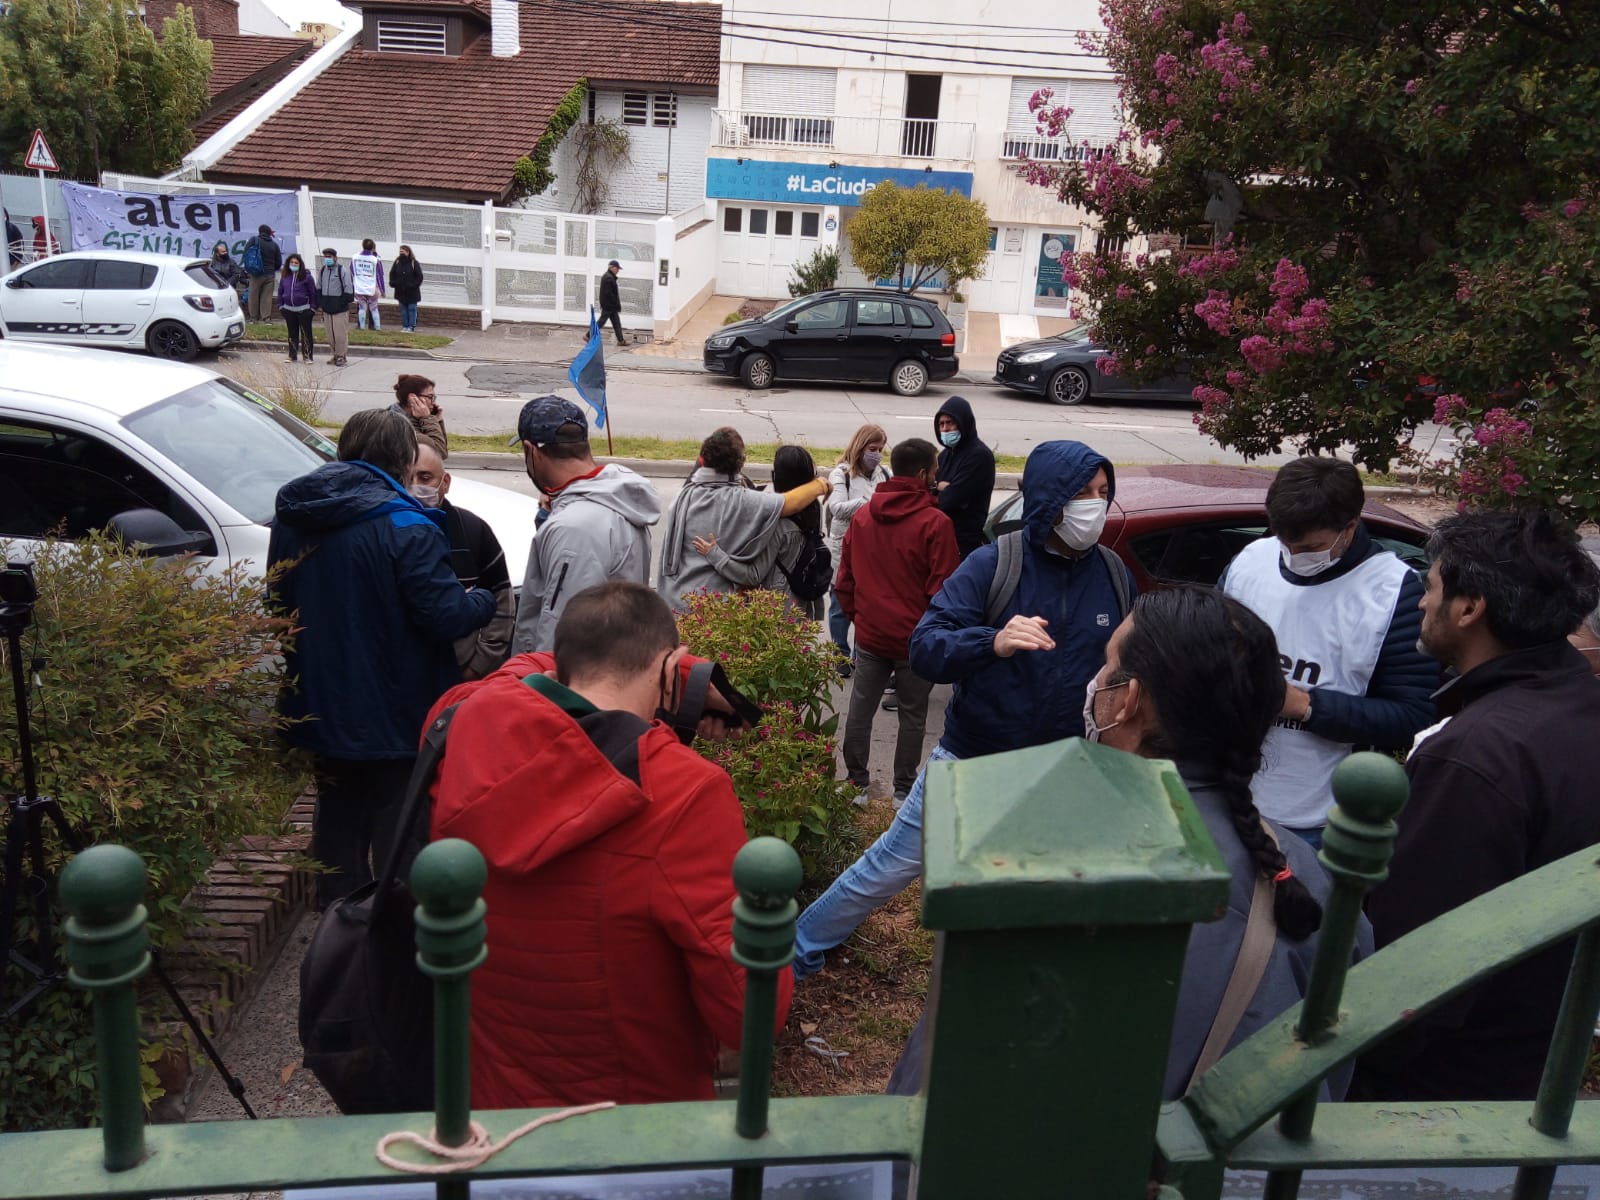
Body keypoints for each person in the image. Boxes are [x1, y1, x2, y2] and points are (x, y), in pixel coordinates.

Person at [886, 586, 1362, 1100]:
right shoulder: (1312, 879)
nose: (1094, 683)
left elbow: (940, 1085)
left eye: (1106, 664)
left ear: (1127, 700)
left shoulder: (1047, 864)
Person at [426, 581, 792, 1109]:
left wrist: (678, 676)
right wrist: (677, 678)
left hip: (489, 1109)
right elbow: (748, 1009)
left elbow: (521, 669)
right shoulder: (683, 792)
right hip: (631, 1121)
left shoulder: (461, 725)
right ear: (669, 666)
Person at [792, 440, 1135, 976]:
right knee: (888, 866)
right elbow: (926, 646)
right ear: (1049, 498)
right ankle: (794, 952)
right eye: (1082, 493)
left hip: (1063, 769)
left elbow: (1123, 669)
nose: (1094, 505)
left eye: (1103, 493)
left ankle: (1002, 980)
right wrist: (991, 641)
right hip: (976, 760)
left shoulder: (1113, 575)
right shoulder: (996, 563)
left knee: (1031, 881)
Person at [1354, 511, 1600, 1103]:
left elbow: (1412, 971)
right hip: (1537, 1065)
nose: (1419, 603)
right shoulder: (1578, 702)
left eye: (1432, 586)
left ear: (1469, 609)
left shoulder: (1475, 757)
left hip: (1442, 1092)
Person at [267, 408, 495, 908]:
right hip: (396, 708)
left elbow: (277, 603)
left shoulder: (294, 516)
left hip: (320, 701)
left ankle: (336, 929)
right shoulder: (406, 525)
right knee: (400, 824)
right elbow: (446, 616)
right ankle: (392, 937)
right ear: (402, 460)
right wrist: (483, 600)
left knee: (338, 819)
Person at [1219, 457, 1439, 846]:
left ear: (1349, 527)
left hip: (1319, 822)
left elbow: (1412, 715)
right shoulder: (1250, 562)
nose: (1293, 554)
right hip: (1229, 799)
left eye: (1311, 547)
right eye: (1285, 541)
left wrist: (1304, 705)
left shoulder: (1394, 593)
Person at [836, 437, 959, 805]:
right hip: (915, 640)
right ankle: (903, 788)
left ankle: (855, 781)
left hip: (871, 634)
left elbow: (845, 579)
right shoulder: (936, 523)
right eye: (935, 472)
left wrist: (859, 617)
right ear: (923, 474)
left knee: (861, 706)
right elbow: (944, 591)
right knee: (913, 715)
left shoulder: (862, 516)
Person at [509, 396, 663, 653]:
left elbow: (560, 637)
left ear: (531, 451)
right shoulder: (614, 501)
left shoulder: (574, 529)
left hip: (567, 684)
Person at [657, 427, 828, 612]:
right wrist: (820, 484)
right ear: (741, 464)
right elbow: (791, 502)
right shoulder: (742, 502)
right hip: (713, 611)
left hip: (674, 603)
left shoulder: (684, 495)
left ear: (701, 460)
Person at [411, 441, 515, 679]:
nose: (415, 487)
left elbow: (503, 606)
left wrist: (475, 668)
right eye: (407, 478)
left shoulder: (472, 531)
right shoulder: (388, 532)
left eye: (425, 477)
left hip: (462, 678)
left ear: (445, 483)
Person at [824, 424, 891, 671]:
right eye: (872, 449)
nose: (877, 454)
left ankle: (859, 655)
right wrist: (872, 503)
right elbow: (837, 508)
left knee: (866, 608)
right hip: (844, 551)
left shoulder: (885, 474)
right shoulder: (841, 474)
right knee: (840, 605)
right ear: (860, 447)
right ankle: (839, 655)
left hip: (874, 552)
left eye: (881, 449)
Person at [932, 396, 996, 560]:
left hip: (964, 544)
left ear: (963, 423)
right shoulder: (945, 455)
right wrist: (940, 487)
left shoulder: (979, 456)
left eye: (950, 423)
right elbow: (930, 490)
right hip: (941, 539)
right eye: (941, 424)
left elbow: (949, 500)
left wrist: (941, 489)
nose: (945, 429)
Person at [391, 374, 448, 457]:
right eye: (430, 397)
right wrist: (428, 419)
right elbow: (440, 453)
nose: (433, 402)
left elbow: (442, 447)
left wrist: (437, 421)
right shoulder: (400, 426)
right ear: (412, 398)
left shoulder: (414, 419)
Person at [276, 252, 318, 363]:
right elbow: (280, 291)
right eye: (291, 262)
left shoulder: (307, 277)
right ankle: (292, 355)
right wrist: (280, 306)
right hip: (288, 310)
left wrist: (312, 308)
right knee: (292, 333)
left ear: (300, 264)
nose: (293, 264)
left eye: (296, 262)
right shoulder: (285, 276)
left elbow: (313, 293)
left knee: (306, 334)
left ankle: (308, 356)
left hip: (304, 309)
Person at [316, 248, 354, 367]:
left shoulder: (342, 270)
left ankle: (341, 356)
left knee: (340, 334)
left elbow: (348, 290)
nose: (328, 259)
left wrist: (340, 303)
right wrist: (321, 303)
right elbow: (319, 288)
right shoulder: (323, 271)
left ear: (335, 257)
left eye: (330, 256)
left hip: (339, 309)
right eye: (326, 256)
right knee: (330, 334)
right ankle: (335, 354)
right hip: (327, 308)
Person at [242, 224, 282, 321]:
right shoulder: (274, 245)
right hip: (270, 274)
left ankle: (253, 317)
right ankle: (266, 317)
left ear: (260, 232)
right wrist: (272, 269)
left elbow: (246, 254)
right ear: (269, 233)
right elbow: (279, 262)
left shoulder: (254, 240)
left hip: (256, 273)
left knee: (253, 295)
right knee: (267, 297)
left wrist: (249, 268)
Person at [352, 237, 386, 331]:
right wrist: (382, 290)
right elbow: (379, 276)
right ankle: (377, 327)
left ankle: (361, 327)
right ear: (373, 247)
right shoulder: (375, 260)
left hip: (359, 287)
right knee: (374, 308)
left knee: (362, 307)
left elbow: (352, 270)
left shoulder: (355, 257)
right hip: (372, 287)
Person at [391, 244, 424, 333]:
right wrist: (394, 283)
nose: (401, 253)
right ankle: (405, 326)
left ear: (408, 252)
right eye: (400, 251)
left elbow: (419, 277)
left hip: (412, 292)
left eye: (403, 251)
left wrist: (413, 285)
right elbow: (392, 274)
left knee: (412, 309)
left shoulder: (414, 263)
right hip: (400, 291)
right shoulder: (397, 262)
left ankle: (411, 326)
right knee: (403, 310)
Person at [597, 258, 626, 346]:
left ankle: (621, 340)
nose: (618, 271)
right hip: (609, 306)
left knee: (616, 323)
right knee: (601, 322)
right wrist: (615, 304)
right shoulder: (609, 278)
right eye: (617, 269)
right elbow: (609, 294)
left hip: (610, 306)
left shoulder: (608, 276)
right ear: (612, 268)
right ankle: (588, 335)